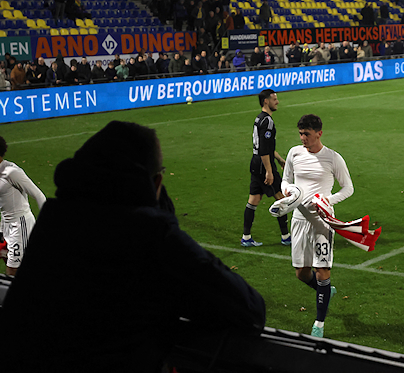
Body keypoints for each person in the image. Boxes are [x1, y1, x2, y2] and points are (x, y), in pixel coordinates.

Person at [2, 121, 266, 372]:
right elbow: (250, 309)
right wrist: (165, 221)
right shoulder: (148, 233)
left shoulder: (54, 222)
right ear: (156, 182)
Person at [281, 114, 354, 337]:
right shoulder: (294, 153)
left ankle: (319, 324)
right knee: (301, 273)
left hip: (322, 222)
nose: (303, 138)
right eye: (300, 134)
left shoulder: (333, 158)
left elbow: (348, 188)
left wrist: (327, 200)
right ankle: (326, 292)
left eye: (307, 134)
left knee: (322, 271)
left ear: (319, 134)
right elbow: (285, 180)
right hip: (299, 220)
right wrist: (288, 190)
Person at [242, 89, 290, 247]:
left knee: (253, 199)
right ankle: (286, 236)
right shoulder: (267, 121)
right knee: (282, 199)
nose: (277, 102)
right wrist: (269, 171)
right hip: (264, 164)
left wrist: (280, 160)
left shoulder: (259, 118)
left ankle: (246, 237)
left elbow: (266, 147)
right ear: (266, 101)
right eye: (274, 99)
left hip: (255, 162)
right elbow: (264, 149)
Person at [0, 136, 46, 277]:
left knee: (12, 269)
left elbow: (39, 195)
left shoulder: (11, 172)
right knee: (8, 258)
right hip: (6, 224)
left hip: (20, 225)